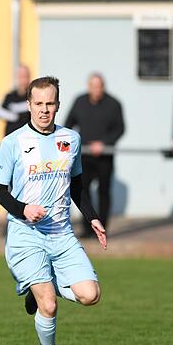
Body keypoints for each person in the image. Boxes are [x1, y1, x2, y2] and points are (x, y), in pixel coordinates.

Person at [0, 76, 106, 345]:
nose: (44, 109)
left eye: (50, 103)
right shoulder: (12, 142)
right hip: (25, 234)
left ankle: (45, 283)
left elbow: (77, 185)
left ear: (58, 105)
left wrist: (92, 216)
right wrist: (22, 209)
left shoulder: (71, 139)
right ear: (29, 105)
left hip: (62, 233)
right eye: (39, 103)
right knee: (48, 304)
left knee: (90, 295)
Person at [64, 72, 125, 237]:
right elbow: (68, 124)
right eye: (93, 86)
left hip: (105, 157)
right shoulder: (80, 102)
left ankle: (103, 228)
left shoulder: (114, 104)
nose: (96, 90)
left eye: (99, 86)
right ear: (88, 87)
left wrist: (104, 143)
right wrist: (74, 144)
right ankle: (87, 227)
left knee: (104, 192)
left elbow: (120, 129)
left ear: (103, 87)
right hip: (84, 157)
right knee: (83, 191)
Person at [0, 64, 32, 136]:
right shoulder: (10, 96)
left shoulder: (32, 95)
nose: (23, 79)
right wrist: (13, 116)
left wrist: (14, 111)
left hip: (27, 137)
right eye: (20, 76)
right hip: (10, 137)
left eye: (25, 76)